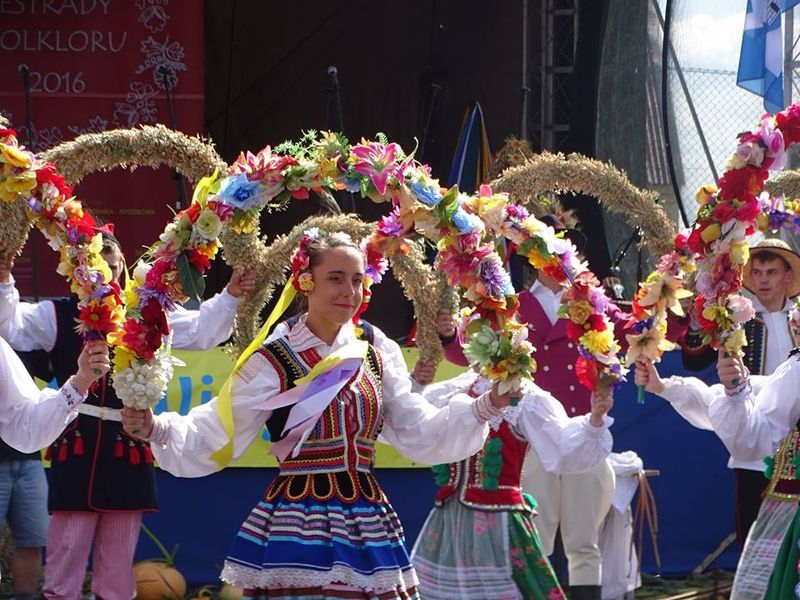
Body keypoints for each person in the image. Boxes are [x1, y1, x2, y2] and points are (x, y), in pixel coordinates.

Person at [120, 230, 512, 600]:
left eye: (357, 280)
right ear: (306, 281)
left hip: (367, 519)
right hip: (298, 519)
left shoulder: (376, 349)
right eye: (336, 278)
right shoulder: (274, 356)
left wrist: (485, 406)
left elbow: (414, 426)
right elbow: (220, 426)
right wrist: (157, 427)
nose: (349, 291)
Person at [0, 229, 256, 600]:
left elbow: (202, 330)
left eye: (115, 257)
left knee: (118, 566)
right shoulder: (59, 313)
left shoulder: (149, 314)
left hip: (129, 444)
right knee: (66, 556)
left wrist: (231, 294)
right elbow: (12, 327)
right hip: (77, 443)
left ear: (124, 265)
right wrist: (5, 279)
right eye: (99, 258)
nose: (109, 265)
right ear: (83, 268)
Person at [409, 364, 614, 600]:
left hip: (502, 519)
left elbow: (563, 445)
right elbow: (412, 423)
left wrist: (595, 419)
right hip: (450, 518)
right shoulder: (452, 390)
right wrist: (416, 383)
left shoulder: (524, 397)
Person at [634, 354, 788, 600]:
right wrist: (663, 386)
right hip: (762, 481)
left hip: (776, 483)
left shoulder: (792, 371)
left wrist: (735, 391)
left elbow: (748, 438)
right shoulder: (788, 369)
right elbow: (719, 405)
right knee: (767, 575)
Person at [679, 238, 800, 547]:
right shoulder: (738, 319)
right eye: (757, 272)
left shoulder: (798, 319)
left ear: (788, 276)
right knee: (754, 521)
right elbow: (694, 358)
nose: (762, 279)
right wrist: (697, 318)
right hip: (755, 432)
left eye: (771, 272)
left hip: (796, 436)